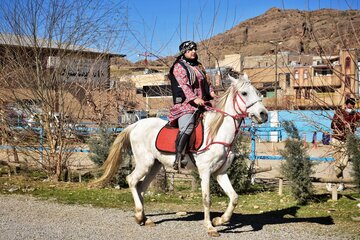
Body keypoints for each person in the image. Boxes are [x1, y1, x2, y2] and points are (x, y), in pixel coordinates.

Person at [167, 40, 217, 171]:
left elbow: (206, 80)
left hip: (203, 103)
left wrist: (211, 91)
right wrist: (194, 99)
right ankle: (179, 157)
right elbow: (184, 86)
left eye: (195, 49)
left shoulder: (199, 66)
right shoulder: (178, 67)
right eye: (190, 50)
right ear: (184, 52)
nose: (194, 52)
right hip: (186, 104)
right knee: (187, 126)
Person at [330, 97, 360, 178]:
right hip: (337, 139)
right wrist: (344, 124)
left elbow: (358, 123)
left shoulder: (356, 115)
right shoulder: (339, 112)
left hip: (347, 140)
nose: (351, 105)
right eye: (350, 103)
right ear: (346, 104)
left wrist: (356, 124)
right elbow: (333, 125)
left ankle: (332, 178)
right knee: (337, 162)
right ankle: (339, 182)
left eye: (353, 104)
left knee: (344, 162)